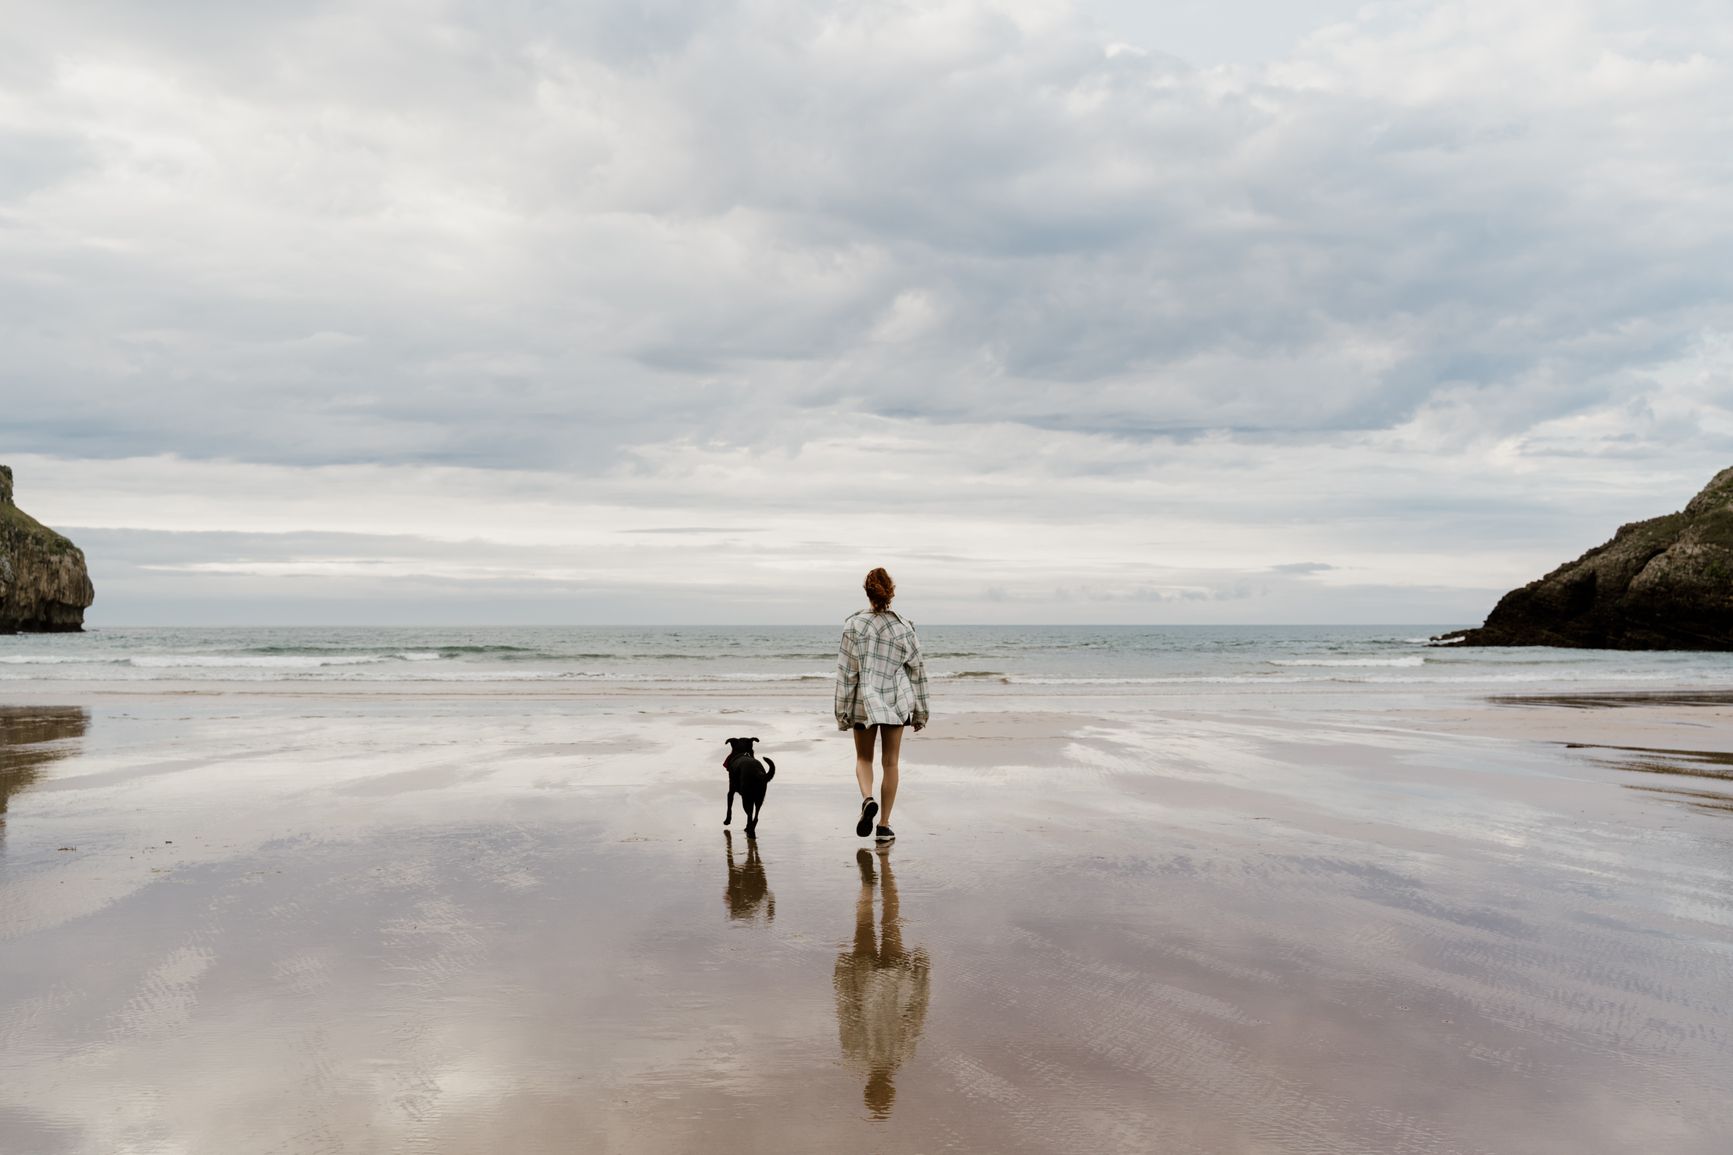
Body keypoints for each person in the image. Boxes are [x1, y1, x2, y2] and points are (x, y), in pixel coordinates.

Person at [835, 567, 929, 843]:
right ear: (891, 592)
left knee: (864, 759)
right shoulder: (904, 627)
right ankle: (884, 826)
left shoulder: (853, 625)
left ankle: (867, 799)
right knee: (891, 763)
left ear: (867, 591)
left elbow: (846, 672)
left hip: (865, 701)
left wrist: (842, 712)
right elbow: (918, 671)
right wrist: (921, 712)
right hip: (896, 702)